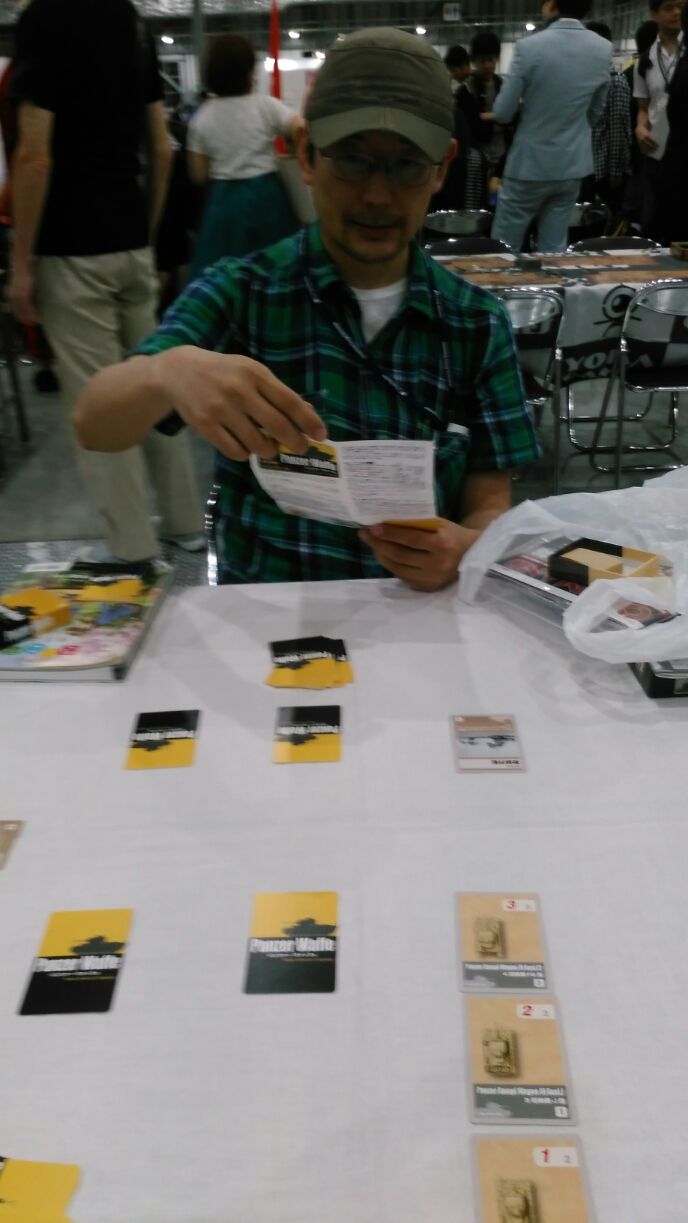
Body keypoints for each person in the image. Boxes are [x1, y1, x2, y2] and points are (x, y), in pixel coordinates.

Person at [74, 28, 539, 592]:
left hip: (416, 617)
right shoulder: (243, 293)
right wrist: (165, 371)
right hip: (266, 615)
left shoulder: (475, 322)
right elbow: (94, 423)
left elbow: (488, 500)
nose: (377, 195)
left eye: (407, 165)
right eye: (352, 161)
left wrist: (467, 546)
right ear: (306, 155)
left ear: (441, 168)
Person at [8, 0, 204, 562]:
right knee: (155, 388)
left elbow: (35, 155)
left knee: (97, 403)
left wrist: (21, 264)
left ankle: (133, 548)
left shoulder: (44, 19)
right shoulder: (129, 18)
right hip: (130, 241)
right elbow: (161, 147)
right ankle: (186, 523)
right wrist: (145, 231)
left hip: (71, 250)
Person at [490, 0, 611, 253]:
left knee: (504, 249)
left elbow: (502, 113)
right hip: (571, 165)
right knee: (554, 248)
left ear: (552, 5)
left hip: (529, 166)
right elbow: (595, 113)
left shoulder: (528, 47)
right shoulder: (602, 48)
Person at [187, 33, 303, 278]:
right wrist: (293, 149)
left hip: (224, 204)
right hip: (268, 198)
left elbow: (198, 175)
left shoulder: (201, 118)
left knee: (224, 280)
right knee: (278, 273)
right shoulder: (265, 106)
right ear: (250, 73)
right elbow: (300, 128)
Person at [634, 0, 683, 237]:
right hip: (657, 150)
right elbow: (643, 107)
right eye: (669, 7)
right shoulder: (645, 60)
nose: (677, 13)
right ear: (654, 15)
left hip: (685, 150)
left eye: (681, 7)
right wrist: (640, 127)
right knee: (655, 223)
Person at [583, 22, 632, 217]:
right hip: (584, 169)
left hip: (604, 173)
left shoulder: (615, 81)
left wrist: (616, 172)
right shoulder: (585, 80)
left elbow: (618, 131)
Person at [455, 30, 510, 189]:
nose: (487, 65)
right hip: (475, 159)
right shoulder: (465, 90)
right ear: (474, 61)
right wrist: (497, 116)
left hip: (503, 156)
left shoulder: (504, 86)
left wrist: (485, 116)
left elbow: (512, 118)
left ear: (497, 58)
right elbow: (468, 126)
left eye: (491, 60)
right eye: (482, 61)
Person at [653, 2, 688, 242]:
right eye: (669, 8)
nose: (676, 13)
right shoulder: (649, 57)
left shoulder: (684, 63)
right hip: (663, 152)